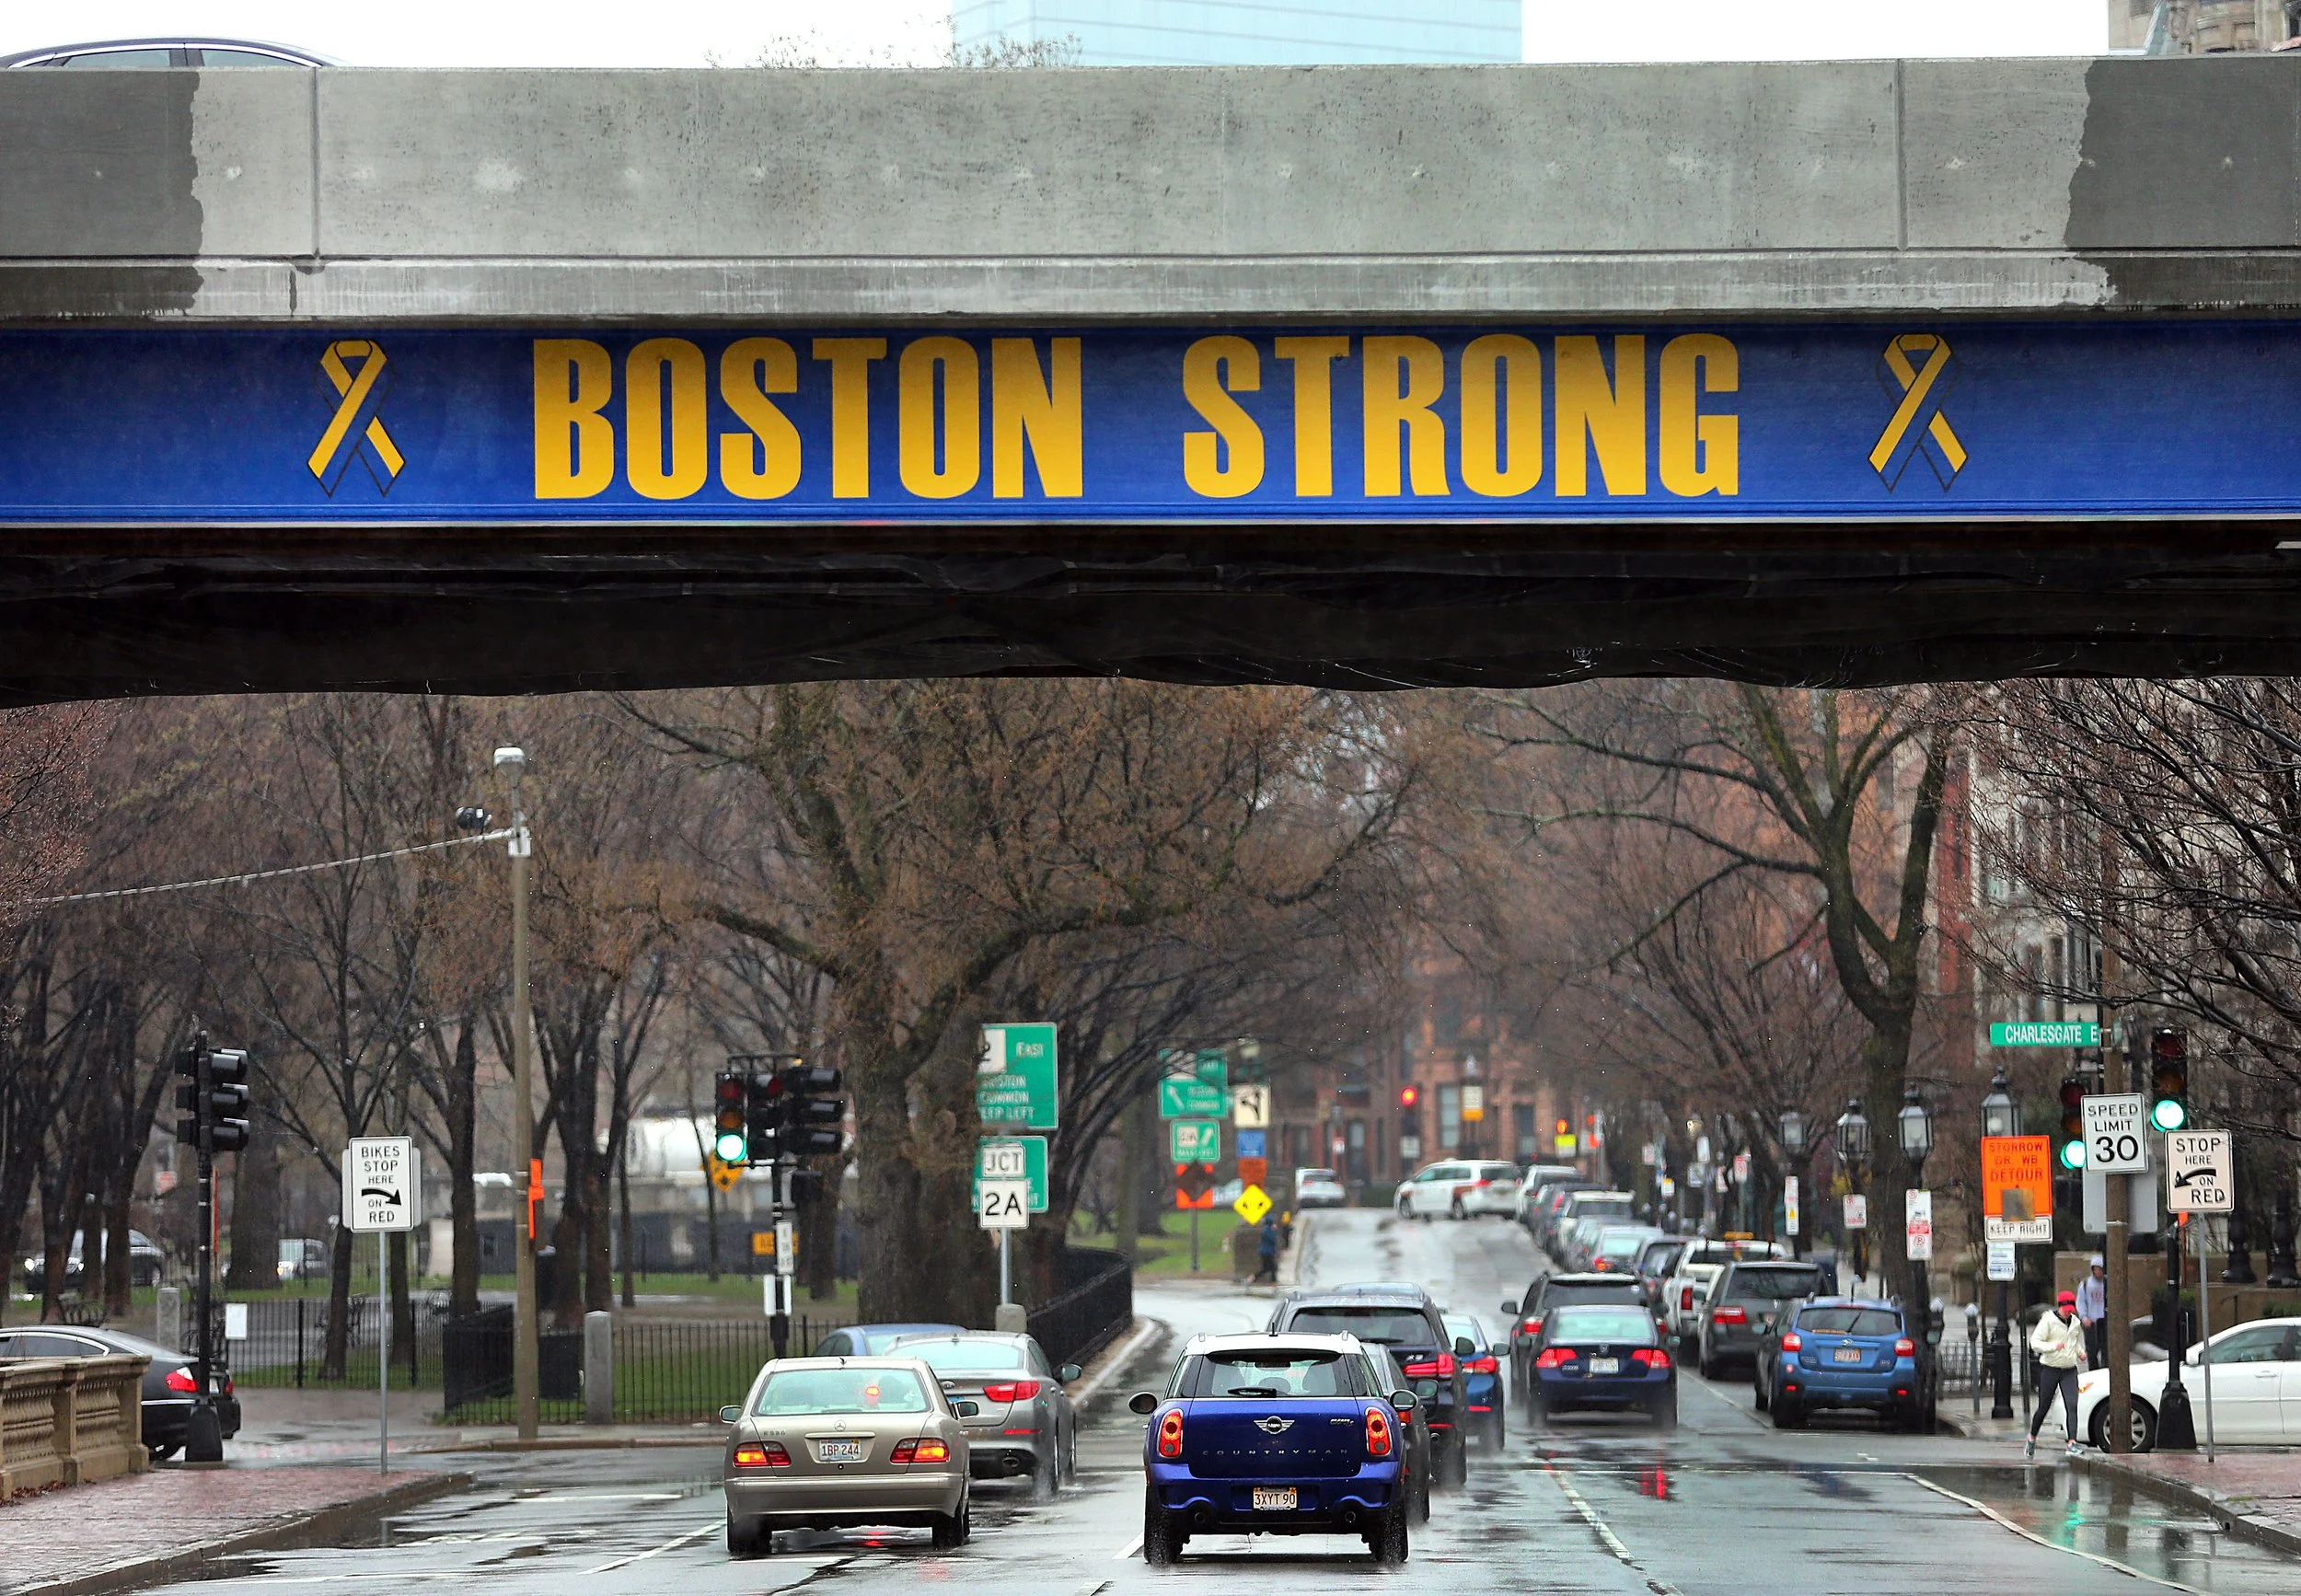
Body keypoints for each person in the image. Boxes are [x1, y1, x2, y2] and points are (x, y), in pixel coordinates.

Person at [2027, 1289, 2087, 1458]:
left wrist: (2080, 1352)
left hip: (2069, 1369)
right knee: (2044, 1407)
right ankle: (2032, 1437)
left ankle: (2072, 1442)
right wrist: (2053, 1347)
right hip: (2050, 1368)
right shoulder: (2048, 1321)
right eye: (2066, 1310)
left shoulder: (2075, 1322)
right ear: (2060, 1307)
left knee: (2072, 1405)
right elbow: (2035, 1343)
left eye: (2071, 1310)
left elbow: (2074, 1342)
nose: (2069, 1313)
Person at [2076, 1255, 2109, 1369]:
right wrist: (2084, 1317)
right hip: (2091, 1322)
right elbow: (2081, 1302)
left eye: (2100, 1268)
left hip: (2105, 1322)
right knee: (2092, 1351)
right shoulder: (2085, 1285)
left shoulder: (2108, 1284)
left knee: (2107, 1351)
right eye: (2096, 1269)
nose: (2098, 1271)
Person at [1255, 1214, 1280, 1283]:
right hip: (1267, 1252)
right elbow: (1273, 1239)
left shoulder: (1266, 1229)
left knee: (1267, 1268)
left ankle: (1251, 1278)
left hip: (1266, 1252)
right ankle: (1273, 1283)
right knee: (1272, 1268)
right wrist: (1274, 1230)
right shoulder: (1268, 1229)